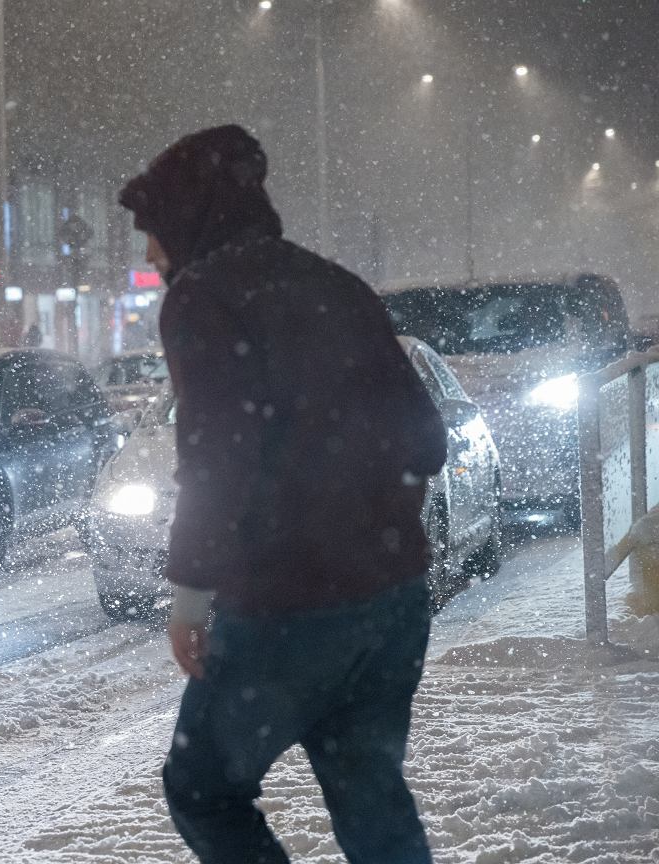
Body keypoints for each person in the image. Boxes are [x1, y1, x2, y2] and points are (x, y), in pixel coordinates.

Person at [119, 125, 447, 864]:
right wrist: (374, 526)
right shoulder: (338, 285)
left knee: (203, 789)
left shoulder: (204, 299)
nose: (149, 254)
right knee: (371, 794)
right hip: (394, 598)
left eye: (154, 232)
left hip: (287, 604)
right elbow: (426, 440)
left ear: (190, 218)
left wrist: (190, 598)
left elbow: (215, 461)